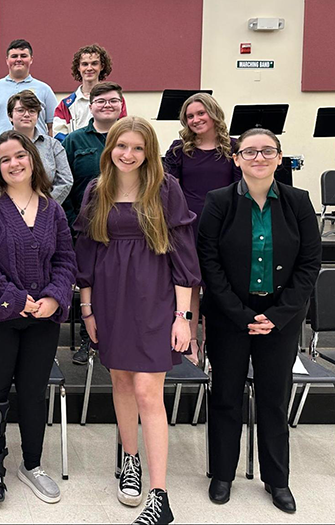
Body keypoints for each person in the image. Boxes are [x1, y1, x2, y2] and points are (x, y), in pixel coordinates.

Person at [75, 116, 201, 525]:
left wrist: (184, 317)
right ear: (109, 148)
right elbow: (88, 254)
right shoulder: (97, 190)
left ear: (149, 153)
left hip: (155, 297)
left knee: (149, 390)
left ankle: (159, 494)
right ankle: (130, 460)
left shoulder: (166, 189)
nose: (128, 154)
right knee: (122, 382)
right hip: (110, 298)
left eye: (137, 148)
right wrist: (87, 309)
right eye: (121, 146)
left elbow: (183, 254)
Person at [198, 128, 321, 513]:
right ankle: (222, 474)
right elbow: (209, 262)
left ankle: (277, 479)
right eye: (249, 152)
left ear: (279, 158)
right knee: (226, 397)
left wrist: (278, 315)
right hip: (229, 316)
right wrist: (241, 314)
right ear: (236, 159)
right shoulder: (218, 202)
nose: (258, 158)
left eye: (267, 151)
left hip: (280, 318)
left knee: (273, 399)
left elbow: (309, 264)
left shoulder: (299, 202)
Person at [0, 130, 76, 504]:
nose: (14, 163)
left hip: (42, 317)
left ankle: (31, 463)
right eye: (5, 158)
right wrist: (18, 300)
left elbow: (65, 260)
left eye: (19, 156)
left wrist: (55, 298)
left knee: (32, 392)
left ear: (32, 159)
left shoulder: (52, 209)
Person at [164, 93, 242, 359]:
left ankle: (213, 342)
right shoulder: (178, 150)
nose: (195, 119)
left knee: (216, 285)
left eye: (200, 113)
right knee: (190, 285)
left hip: (224, 226)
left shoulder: (234, 149)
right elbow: (168, 189)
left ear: (213, 113)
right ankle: (191, 342)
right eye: (190, 116)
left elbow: (241, 189)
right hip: (188, 226)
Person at [62, 81, 125, 366]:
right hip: (86, 226)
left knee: (120, 283)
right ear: (91, 107)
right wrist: (74, 221)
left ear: (121, 105)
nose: (107, 106)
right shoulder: (75, 140)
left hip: (126, 228)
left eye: (113, 101)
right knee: (89, 282)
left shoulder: (131, 137)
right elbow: (67, 183)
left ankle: (118, 337)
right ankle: (90, 340)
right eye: (101, 101)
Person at [0, 90, 73, 204]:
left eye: (32, 111)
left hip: (46, 211)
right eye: (20, 110)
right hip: (7, 212)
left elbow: (65, 180)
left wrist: (45, 206)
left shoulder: (53, 146)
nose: (26, 114)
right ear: (10, 115)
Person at [0, 39, 58, 154]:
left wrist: (50, 153)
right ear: (7, 60)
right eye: (14, 56)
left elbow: (53, 125)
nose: (18, 59)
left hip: (36, 152)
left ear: (31, 59)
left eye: (23, 56)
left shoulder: (44, 90)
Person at [52, 44, 127, 142]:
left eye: (94, 63)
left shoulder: (116, 100)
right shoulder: (65, 105)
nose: (89, 68)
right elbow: (59, 137)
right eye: (85, 64)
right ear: (78, 68)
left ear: (102, 66)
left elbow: (123, 130)